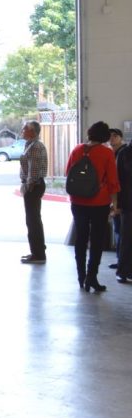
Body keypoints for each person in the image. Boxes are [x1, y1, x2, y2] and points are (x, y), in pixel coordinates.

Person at [66, 121, 120, 293]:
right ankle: (92, 278)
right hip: (99, 202)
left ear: (90, 133)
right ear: (104, 136)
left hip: (78, 201)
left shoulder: (77, 150)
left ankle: (81, 277)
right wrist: (115, 205)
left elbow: (69, 172)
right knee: (97, 240)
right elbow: (113, 181)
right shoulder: (107, 153)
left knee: (81, 238)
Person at [19, 121, 48, 264]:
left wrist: (27, 186)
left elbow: (34, 170)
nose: (22, 130)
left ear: (32, 131)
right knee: (32, 220)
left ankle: (38, 254)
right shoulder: (30, 144)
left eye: (25, 129)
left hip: (34, 186)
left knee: (33, 221)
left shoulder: (36, 146)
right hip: (32, 185)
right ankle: (37, 250)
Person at [109, 128, 125, 269]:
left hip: (121, 198)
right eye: (110, 136)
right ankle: (120, 259)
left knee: (121, 230)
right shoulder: (111, 154)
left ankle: (122, 261)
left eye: (115, 136)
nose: (112, 139)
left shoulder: (124, 153)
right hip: (114, 197)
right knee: (118, 230)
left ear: (121, 137)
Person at [116, 140, 132, 282]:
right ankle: (123, 270)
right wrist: (117, 203)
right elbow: (118, 180)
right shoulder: (125, 153)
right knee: (127, 238)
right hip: (128, 203)